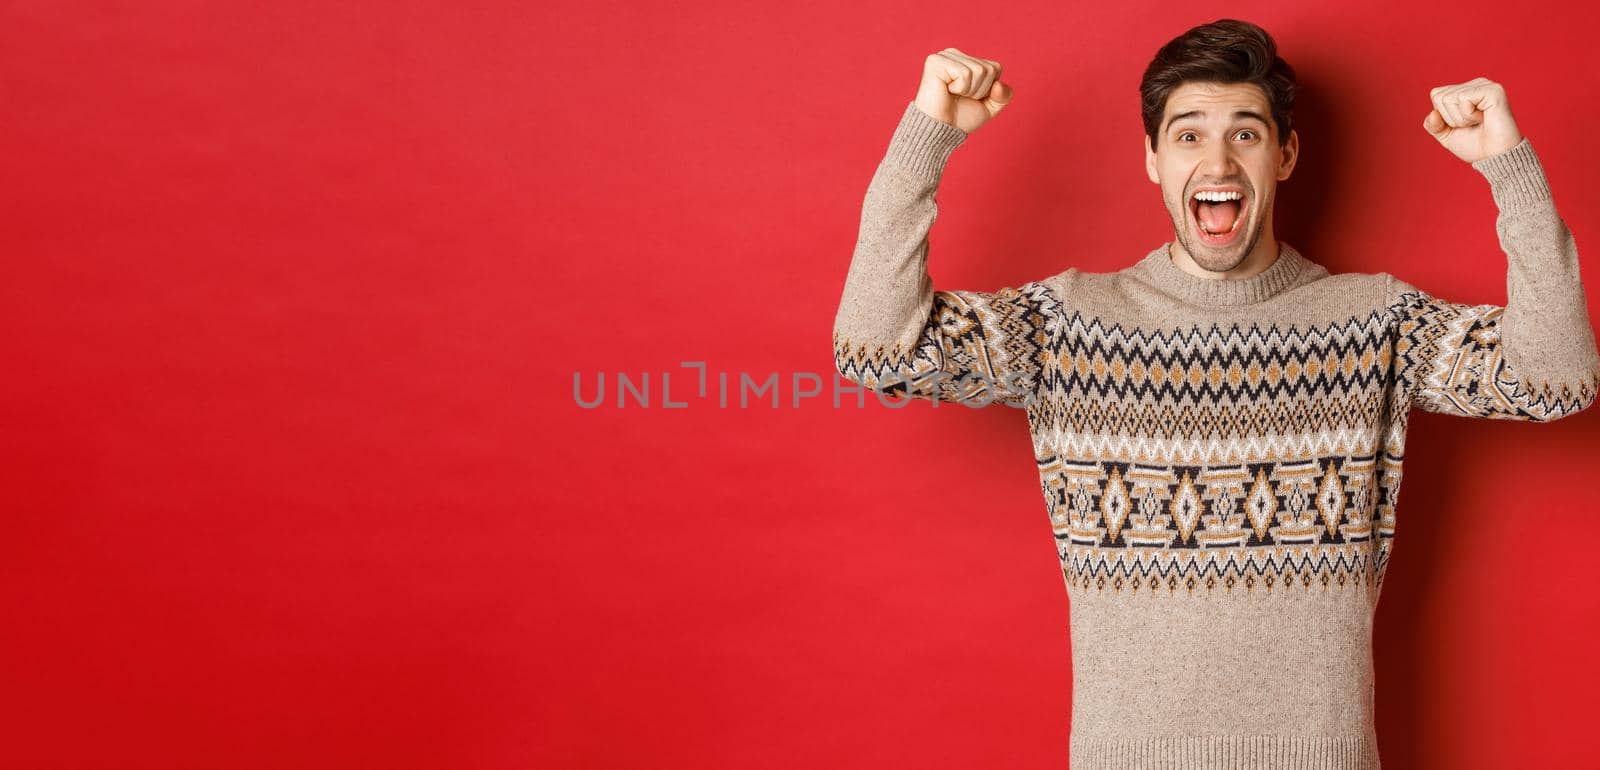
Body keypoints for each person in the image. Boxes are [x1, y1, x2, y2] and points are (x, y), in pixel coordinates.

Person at [830, 17, 1600, 769]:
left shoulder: (1373, 321)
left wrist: (1509, 165)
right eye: (1189, 134)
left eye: (1246, 133)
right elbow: (875, 348)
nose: (1219, 162)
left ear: (1286, 154)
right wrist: (928, 132)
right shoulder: (1067, 323)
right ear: (1153, 160)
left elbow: (1556, 379)